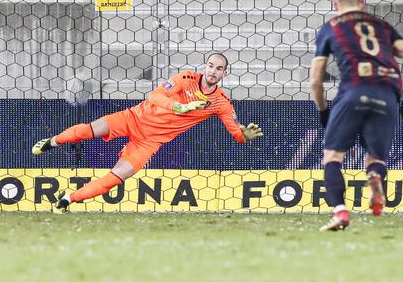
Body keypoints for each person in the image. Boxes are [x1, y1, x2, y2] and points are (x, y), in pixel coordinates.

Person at [32, 53, 263, 211]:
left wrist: (245, 135)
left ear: (224, 73)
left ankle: (67, 199)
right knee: (87, 131)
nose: (213, 71)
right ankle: (51, 142)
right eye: (211, 66)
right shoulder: (185, 78)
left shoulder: (221, 103)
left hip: (149, 142)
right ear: (205, 66)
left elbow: (237, 134)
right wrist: (179, 107)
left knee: (116, 178)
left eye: (219, 68)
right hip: (133, 118)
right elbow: (155, 96)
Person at [310, 0, 403, 231]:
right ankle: (376, 176)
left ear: (335, 5)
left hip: (353, 92)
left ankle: (340, 213)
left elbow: (315, 80)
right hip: (388, 93)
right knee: (376, 157)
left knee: (333, 157)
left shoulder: (330, 28)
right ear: (362, 3)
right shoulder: (381, 26)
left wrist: (323, 110)